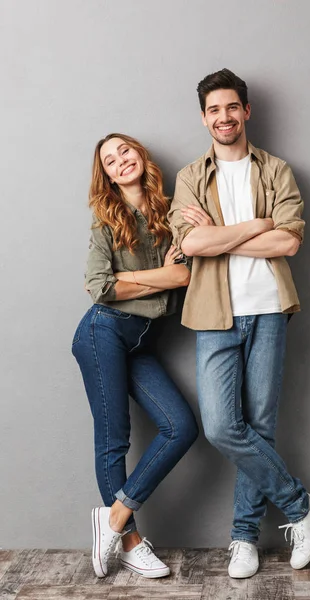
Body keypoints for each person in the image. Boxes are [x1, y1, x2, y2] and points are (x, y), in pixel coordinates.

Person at [168, 69, 310, 578]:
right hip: (214, 312)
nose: (224, 117)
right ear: (204, 117)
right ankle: (302, 507)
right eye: (214, 110)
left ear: (246, 111)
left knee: (260, 426)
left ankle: (243, 537)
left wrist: (223, 234)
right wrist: (257, 225)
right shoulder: (191, 176)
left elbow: (289, 242)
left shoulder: (277, 170)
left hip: (269, 308)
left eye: (231, 107)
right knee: (221, 425)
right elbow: (190, 246)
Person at [72, 133, 198, 579]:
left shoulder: (173, 210)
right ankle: (130, 542)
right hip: (101, 332)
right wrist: (166, 274)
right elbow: (101, 287)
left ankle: (111, 518)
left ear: (140, 155)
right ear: (106, 175)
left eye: (125, 151)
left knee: (181, 427)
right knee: (114, 438)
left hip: (142, 343)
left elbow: (191, 275)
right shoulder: (106, 219)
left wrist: (146, 278)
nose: (120, 161)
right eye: (110, 160)